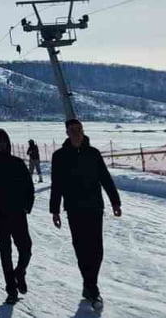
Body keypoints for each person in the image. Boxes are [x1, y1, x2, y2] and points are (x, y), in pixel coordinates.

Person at [50, 119, 122, 307]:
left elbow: (105, 178)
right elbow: (56, 184)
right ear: (67, 133)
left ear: (83, 131)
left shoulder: (93, 153)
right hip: (74, 209)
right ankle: (92, 288)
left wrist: (115, 201)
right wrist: (54, 210)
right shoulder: (59, 156)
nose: (76, 133)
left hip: (95, 207)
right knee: (81, 248)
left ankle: (89, 284)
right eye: (72, 130)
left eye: (79, 130)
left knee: (97, 250)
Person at [0, 128, 35, 305]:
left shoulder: (17, 163)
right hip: (0, 215)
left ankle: (19, 272)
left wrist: (27, 206)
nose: (1, 144)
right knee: (6, 252)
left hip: (19, 213)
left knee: (26, 248)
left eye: (3, 141)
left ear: (8, 142)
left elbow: (29, 186)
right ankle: (11, 289)